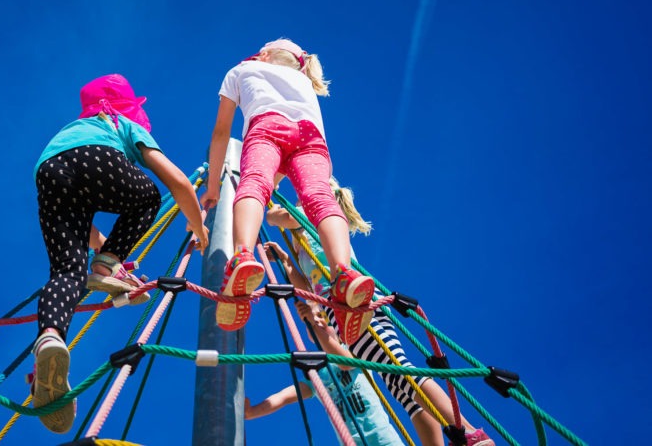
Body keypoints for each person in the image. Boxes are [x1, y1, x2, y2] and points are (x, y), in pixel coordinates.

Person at [31, 73, 209, 433]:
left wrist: (103, 249)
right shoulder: (121, 123)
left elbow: (87, 227)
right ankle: (106, 266)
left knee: (66, 272)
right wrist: (200, 227)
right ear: (125, 106)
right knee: (147, 198)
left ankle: (50, 339)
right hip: (96, 159)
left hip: (48, 170)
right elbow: (176, 181)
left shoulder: (75, 127)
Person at [266, 180, 494, 446]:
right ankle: (457, 436)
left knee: (399, 370)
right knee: (400, 387)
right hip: (341, 310)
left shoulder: (318, 211)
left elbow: (274, 217)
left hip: (351, 304)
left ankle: (468, 432)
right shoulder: (306, 239)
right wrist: (285, 261)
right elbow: (307, 285)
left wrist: (267, 187)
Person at [199, 38, 374, 344]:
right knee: (320, 197)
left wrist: (213, 185)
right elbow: (291, 136)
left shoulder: (243, 69)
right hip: (310, 137)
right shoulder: (302, 81)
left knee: (254, 182)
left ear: (264, 54)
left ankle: (242, 255)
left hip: (267, 128)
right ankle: (344, 273)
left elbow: (220, 133)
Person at [246, 298, 405, 446]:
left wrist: (314, 325)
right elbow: (283, 398)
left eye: (324, 317)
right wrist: (252, 412)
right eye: (315, 318)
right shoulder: (316, 375)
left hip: (383, 438)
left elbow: (345, 364)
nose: (319, 320)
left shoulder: (353, 350)